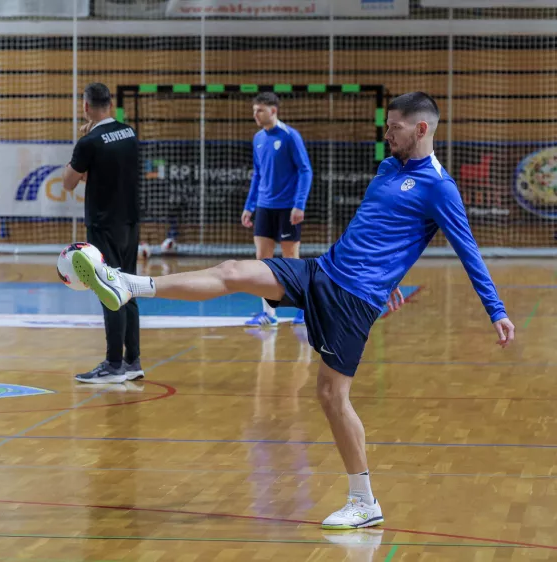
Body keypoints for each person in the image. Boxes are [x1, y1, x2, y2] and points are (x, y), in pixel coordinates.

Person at [69, 92, 516, 529]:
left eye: (394, 127)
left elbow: (468, 251)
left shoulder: (440, 188)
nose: (387, 133)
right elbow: (380, 231)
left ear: (421, 129)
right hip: (323, 270)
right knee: (234, 270)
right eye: (387, 125)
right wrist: (393, 275)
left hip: (354, 300)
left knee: (330, 397)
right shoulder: (386, 167)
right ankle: (128, 284)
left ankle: (364, 502)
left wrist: (496, 311)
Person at [62, 82, 143, 385]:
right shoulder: (130, 133)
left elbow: (69, 182)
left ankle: (113, 365)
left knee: (110, 290)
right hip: (131, 221)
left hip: (103, 223)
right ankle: (132, 360)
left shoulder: (90, 141)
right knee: (130, 287)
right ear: (110, 104)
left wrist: (82, 141)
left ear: (85, 106)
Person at [240, 92, 313, 327]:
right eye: (254, 110)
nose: (255, 115)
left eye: (259, 110)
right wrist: (249, 206)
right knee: (262, 261)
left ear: (273, 111)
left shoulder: (291, 136)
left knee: (291, 260)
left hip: (287, 208)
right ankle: (269, 315)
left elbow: (305, 171)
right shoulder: (258, 139)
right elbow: (258, 174)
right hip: (264, 206)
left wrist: (298, 204)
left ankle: (303, 309)